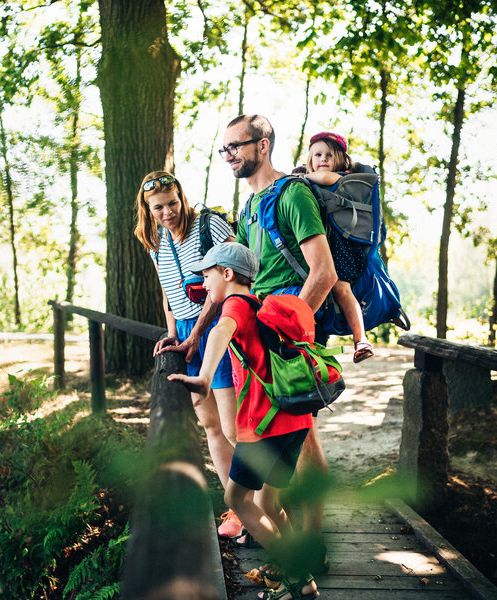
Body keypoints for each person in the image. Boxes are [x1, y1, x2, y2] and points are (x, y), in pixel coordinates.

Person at [168, 242, 319, 600]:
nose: (204, 284)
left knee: (236, 497)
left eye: (206, 276)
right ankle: (294, 574)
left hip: (263, 425)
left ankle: (298, 572)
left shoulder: (234, 305)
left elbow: (219, 333)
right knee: (269, 504)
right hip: (292, 421)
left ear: (227, 274)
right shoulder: (257, 304)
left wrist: (204, 379)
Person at [221, 115, 337, 572]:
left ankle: (312, 547)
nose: (229, 155)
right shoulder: (250, 207)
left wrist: (286, 338)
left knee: (305, 439)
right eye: (224, 149)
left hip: (288, 341)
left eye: (236, 146)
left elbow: (323, 273)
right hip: (263, 340)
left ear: (263, 145)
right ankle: (288, 542)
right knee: (288, 439)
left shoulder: (294, 194)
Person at [133, 171, 243, 538]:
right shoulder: (155, 242)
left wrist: (196, 333)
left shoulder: (209, 224)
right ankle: (237, 509)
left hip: (218, 331)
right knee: (211, 425)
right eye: (158, 207)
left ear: (182, 197)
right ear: (148, 210)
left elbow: (230, 281)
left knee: (233, 427)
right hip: (185, 334)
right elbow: (168, 293)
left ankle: (264, 506)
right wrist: (171, 333)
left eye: (173, 203)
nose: (168, 213)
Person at [302, 131, 372, 363]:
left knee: (342, 289)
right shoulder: (305, 180)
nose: (323, 159)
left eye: (329, 155)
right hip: (323, 245)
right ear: (310, 159)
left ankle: (361, 339)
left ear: (340, 159)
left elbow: (323, 179)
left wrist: (302, 177)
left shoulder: (339, 177)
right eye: (318, 155)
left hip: (341, 248)